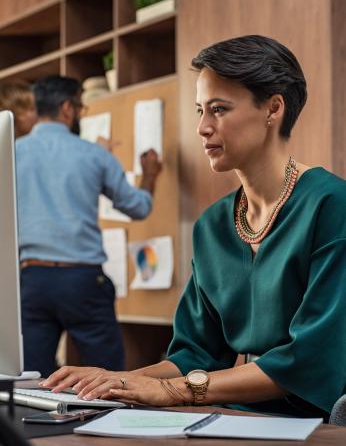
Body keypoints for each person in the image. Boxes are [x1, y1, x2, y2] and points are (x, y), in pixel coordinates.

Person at [41, 36, 346, 419]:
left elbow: (310, 360)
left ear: (273, 108)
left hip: (315, 422)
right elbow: (196, 352)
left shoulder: (333, 205)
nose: (202, 127)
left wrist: (171, 391)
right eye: (200, 110)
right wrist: (116, 382)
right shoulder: (213, 224)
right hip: (237, 415)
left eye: (218, 109)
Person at [16, 75, 162, 378]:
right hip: (82, 280)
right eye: (81, 107)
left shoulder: (11, 152)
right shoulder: (93, 155)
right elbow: (137, 207)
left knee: (29, 381)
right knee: (106, 379)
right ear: (67, 108)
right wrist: (149, 176)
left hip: (31, 280)